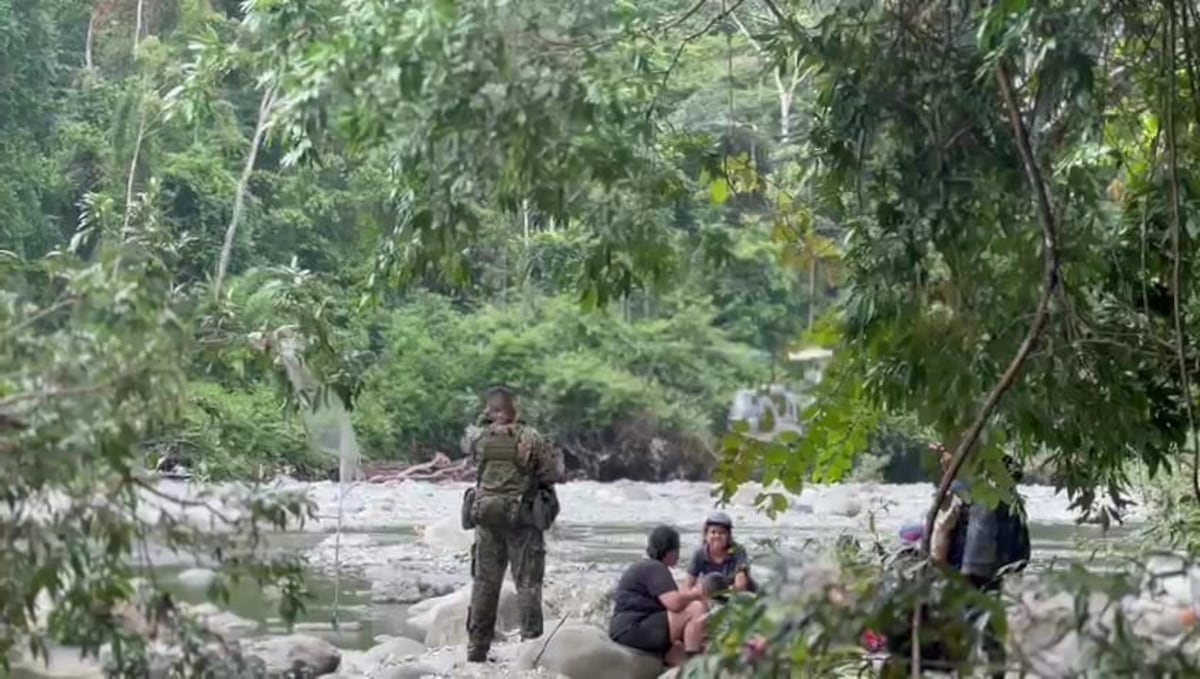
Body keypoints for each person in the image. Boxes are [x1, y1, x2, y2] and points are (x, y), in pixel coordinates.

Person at [462, 386, 560, 663]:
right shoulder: (530, 438)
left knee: (484, 584)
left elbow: (474, 463)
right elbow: (550, 473)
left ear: (490, 411)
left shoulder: (479, 438)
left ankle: (476, 648)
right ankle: (531, 649)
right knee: (528, 584)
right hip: (522, 522)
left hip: (486, 519)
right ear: (512, 409)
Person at [609, 525, 709, 666]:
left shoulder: (646, 567)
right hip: (634, 628)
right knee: (696, 608)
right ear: (670, 550)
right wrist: (697, 593)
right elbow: (674, 603)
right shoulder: (655, 567)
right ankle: (694, 658)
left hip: (623, 630)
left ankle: (689, 667)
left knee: (679, 652)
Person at [684, 511, 756, 596]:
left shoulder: (737, 551)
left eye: (722, 533)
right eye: (713, 532)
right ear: (706, 535)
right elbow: (688, 586)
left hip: (739, 592)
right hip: (712, 589)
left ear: (729, 536)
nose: (717, 536)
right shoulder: (699, 554)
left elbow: (741, 585)